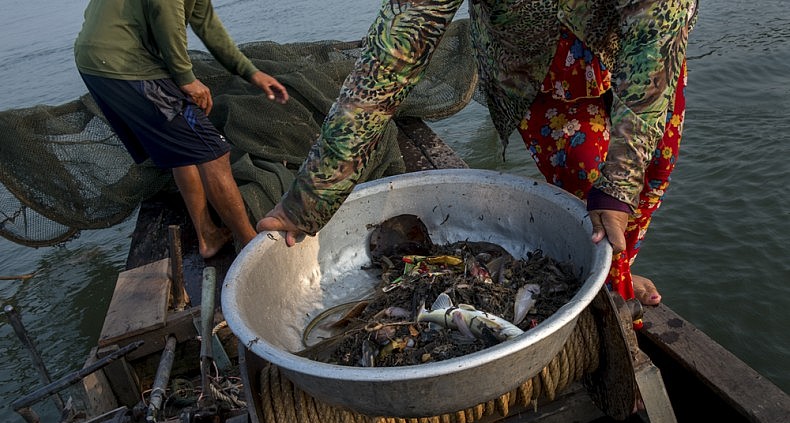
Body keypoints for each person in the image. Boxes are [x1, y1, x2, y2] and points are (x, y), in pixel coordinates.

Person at [256, 0, 696, 322]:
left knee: (649, 173)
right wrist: (311, 196)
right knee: (589, 193)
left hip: (644, 57)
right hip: (538, 70)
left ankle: (621, 268)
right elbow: (390, 60)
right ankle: (620, 315)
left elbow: (655, 40)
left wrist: (620, 183)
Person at [74, 0, 289, 258]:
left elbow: (209, 27)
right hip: (126, 64)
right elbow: (166, 12)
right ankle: (252, 247)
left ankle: (208, 236)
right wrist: (186, 79)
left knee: (182, 146)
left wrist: (251, 73)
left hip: (98, 63)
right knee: (215, 151)